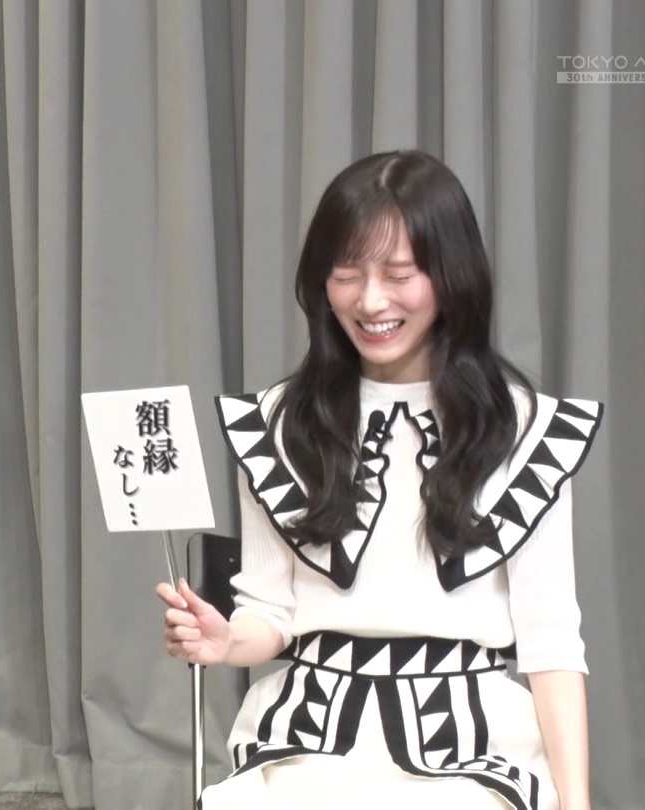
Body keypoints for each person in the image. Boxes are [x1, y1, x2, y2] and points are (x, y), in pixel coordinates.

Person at [159, 151, 601, 810]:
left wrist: (576, 801)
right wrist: (226, 641)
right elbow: (271, 614)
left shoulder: (527, 431)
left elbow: (550, 639)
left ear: (453, 276)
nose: (370, 301)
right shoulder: (278, 424)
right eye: (347, 275)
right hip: (308, 739)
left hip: (472, 746)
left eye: (399, 275)